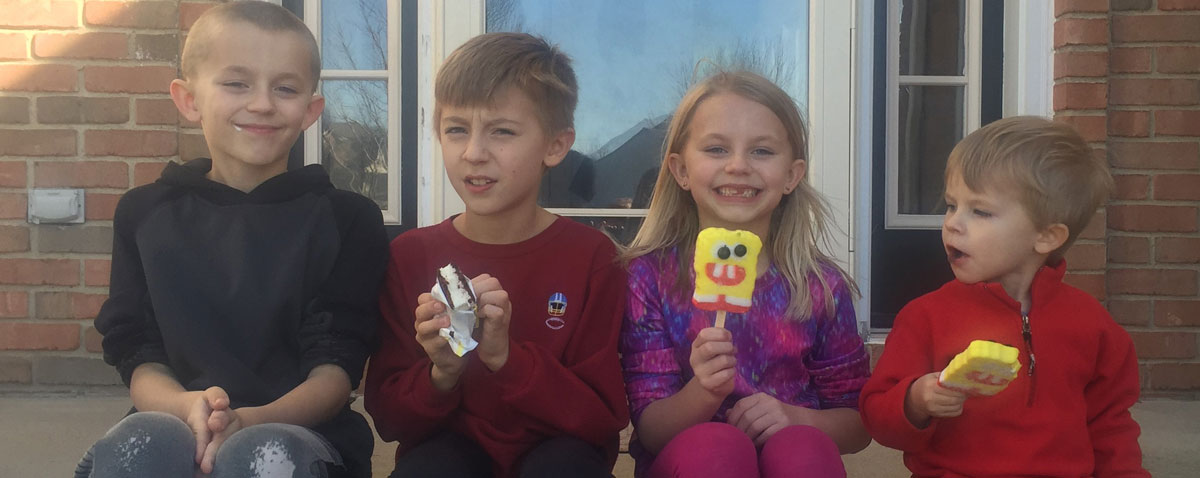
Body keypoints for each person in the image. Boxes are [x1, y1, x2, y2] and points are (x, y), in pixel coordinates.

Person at [78, 3, 388, 477]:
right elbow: (136, 349)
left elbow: (337, 365)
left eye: (284, 88)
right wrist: (187, 408)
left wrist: (250, 421)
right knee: (144, 446)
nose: (262, 103)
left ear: (310, 110)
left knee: (259, 455)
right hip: (176, 419)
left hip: (302, 435)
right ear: (188, 99)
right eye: (236, 83)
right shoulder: (143, 214)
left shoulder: (348, 219)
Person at [363, 32, 629, 478]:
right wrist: (441, 374)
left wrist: (507, 359)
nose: (474, 153)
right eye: (456, 130)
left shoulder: (592, 258)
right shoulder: (411, 255)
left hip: (559, 456)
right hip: (444, 456)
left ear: (555, 146)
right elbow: (389, 420)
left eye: (502, 131)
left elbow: (601, 419)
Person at [859, 116, 1148, 477]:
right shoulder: (925, 317)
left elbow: (1111, 426)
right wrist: (915, 400)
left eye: (979, 211)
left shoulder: (1092, 325)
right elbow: (876, 416)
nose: (952, 223)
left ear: (1046, 237)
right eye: (951, 205)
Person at [620, 70, 871, 478]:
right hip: (691, 461)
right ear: (681, 170)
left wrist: (795, 418)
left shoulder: (819, 286)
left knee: (802, 449)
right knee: (717, 446)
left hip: (794, 457)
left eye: (762, 152)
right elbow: (651, 431)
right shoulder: (649, 278)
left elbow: (858, 424)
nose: (738, 166)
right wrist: (703, 391)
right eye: (717, 149)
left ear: (792, 175)